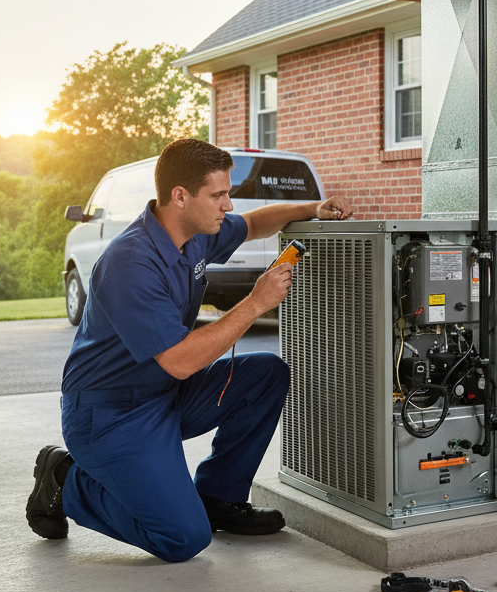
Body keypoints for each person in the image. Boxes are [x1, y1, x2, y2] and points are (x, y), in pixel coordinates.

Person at [26, 138, 353, 562]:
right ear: (180, 196)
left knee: (266, 373)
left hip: (163, 394)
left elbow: (254, 223)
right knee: (182, 538)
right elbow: (180, 361)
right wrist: (255, 302)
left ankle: (219, 497)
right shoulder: (130, 262)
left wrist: (312, 208)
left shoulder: (194, 235)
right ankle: (64, 480)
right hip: (110, 415)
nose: (228, 205)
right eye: (218, 195)